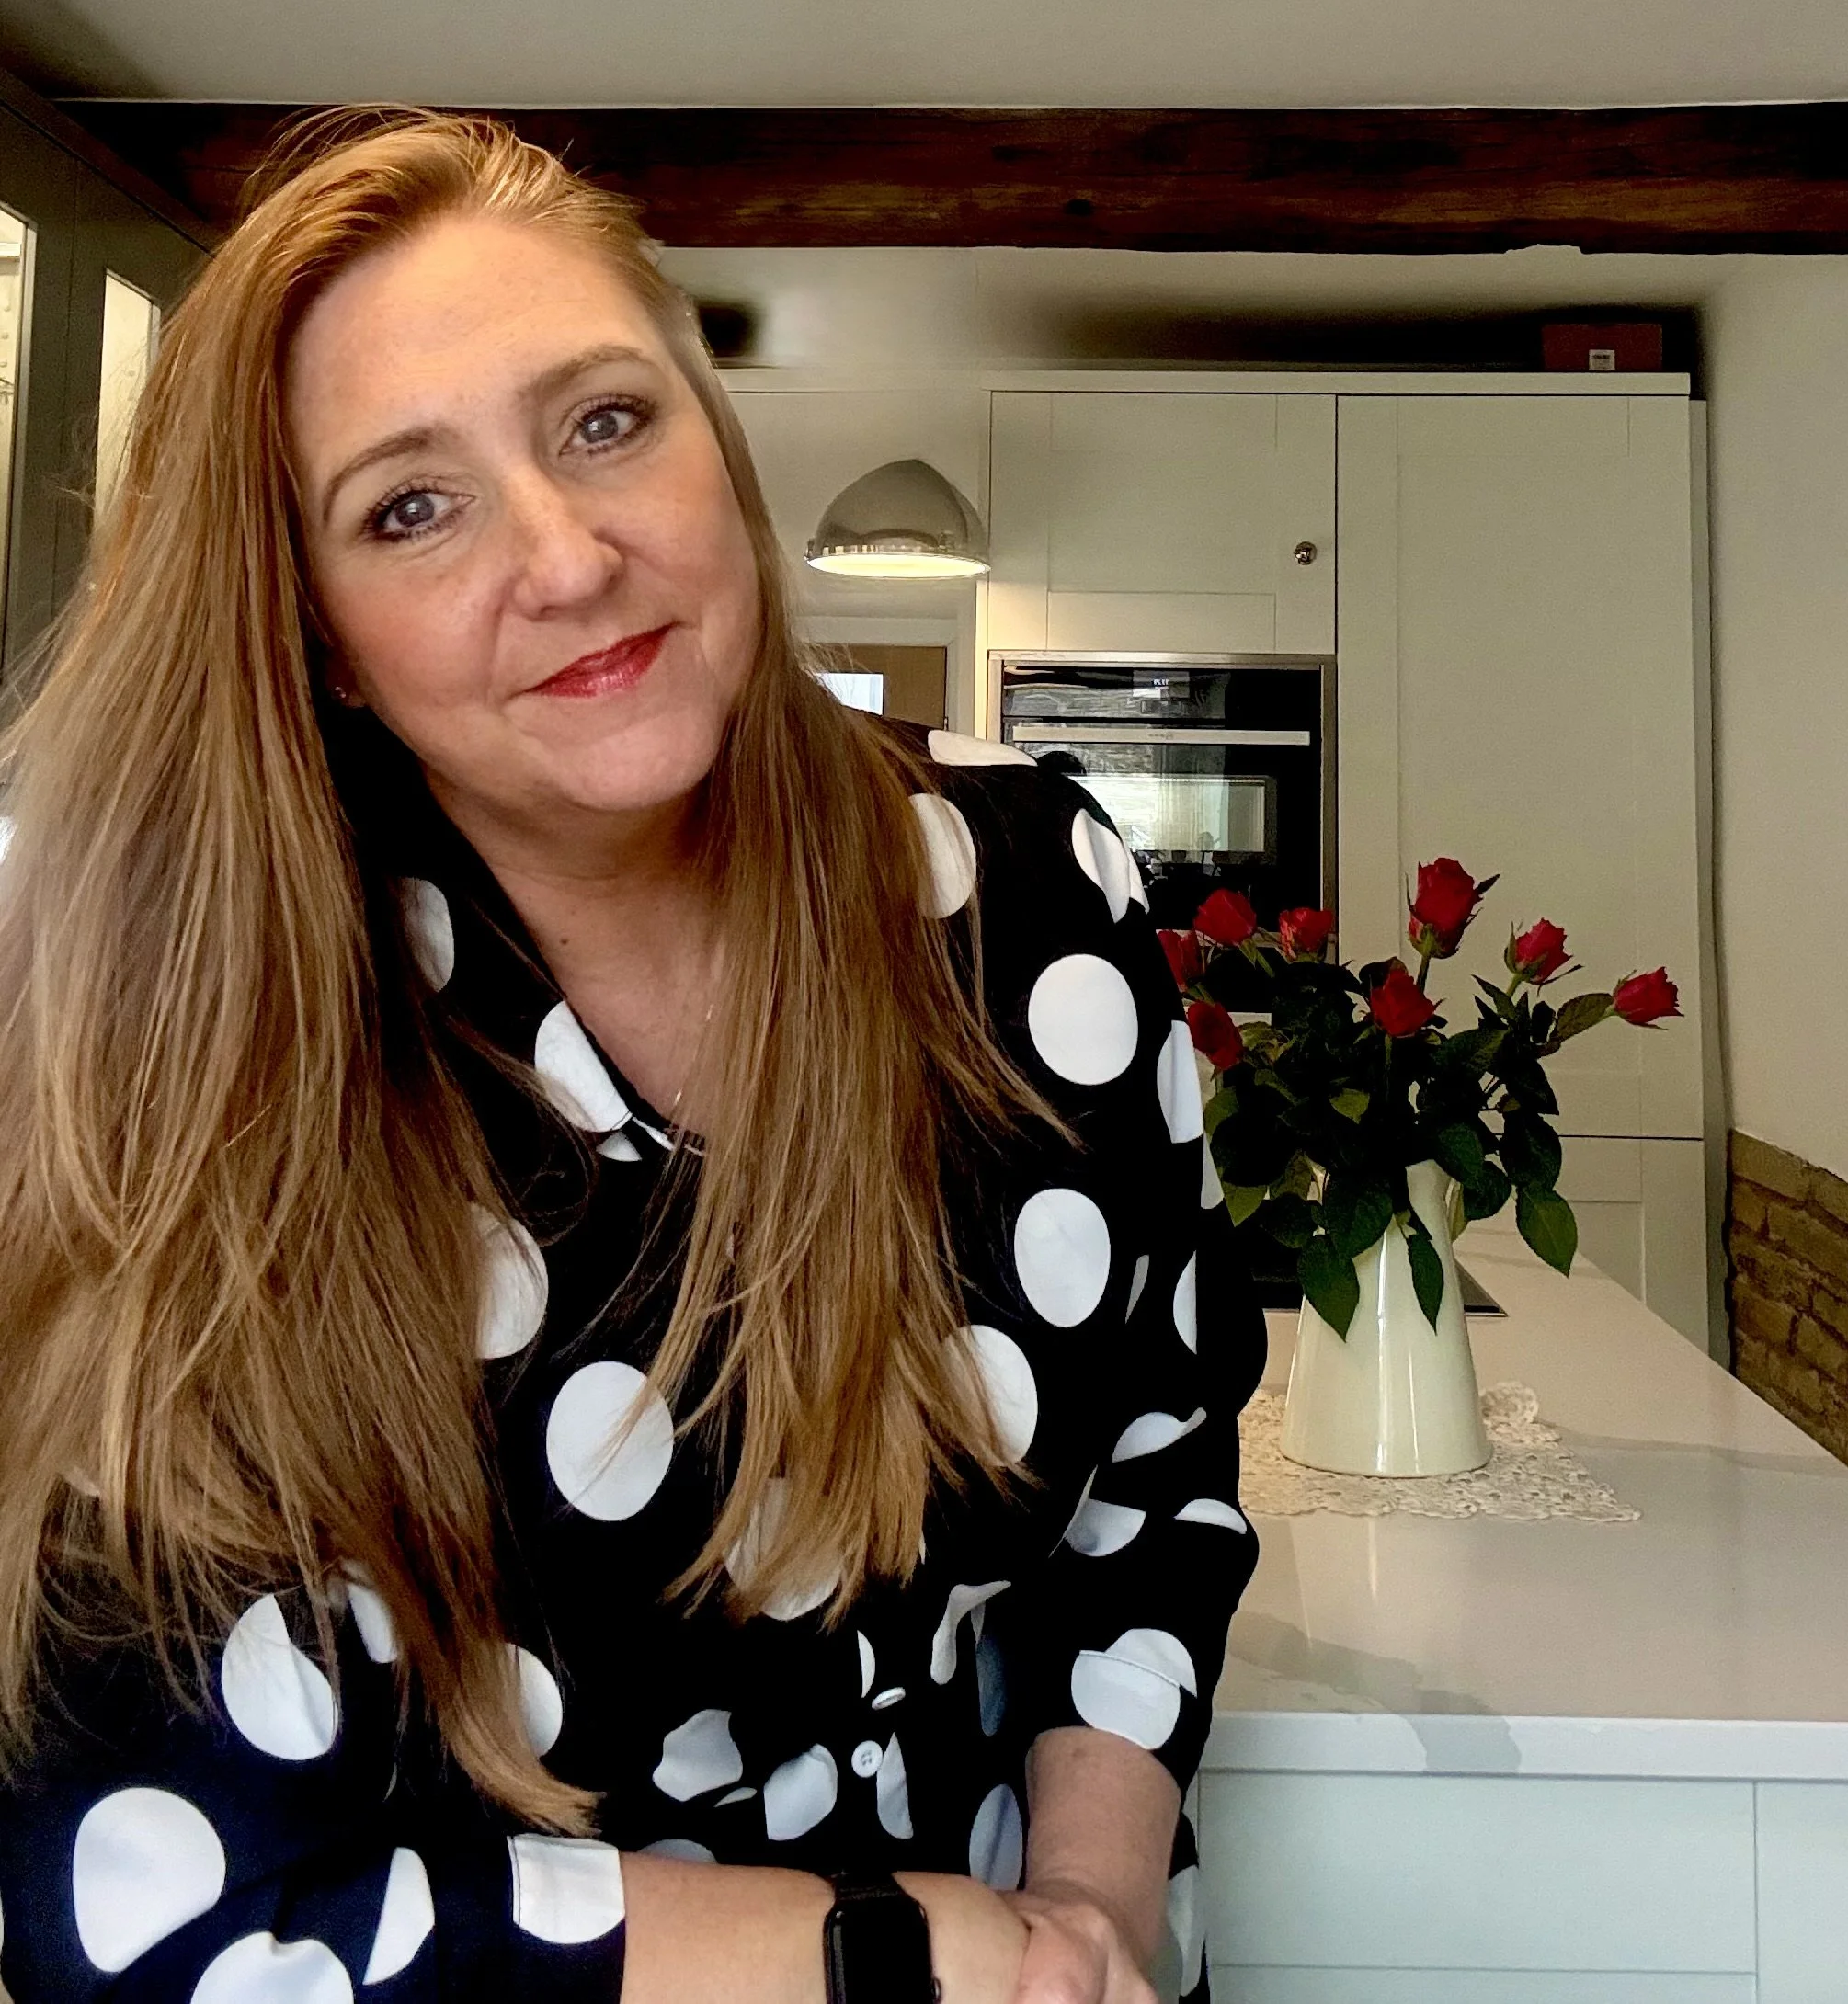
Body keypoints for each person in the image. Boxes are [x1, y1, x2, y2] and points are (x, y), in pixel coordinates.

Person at [0, 115, 1263, 2004]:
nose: (570, 555)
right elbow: (174, 1916)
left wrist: (1088, 1913)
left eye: (603, 420)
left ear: (714, 439)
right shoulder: (207, 1063)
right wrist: (886, 1949)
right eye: (408, 507)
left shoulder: (1031, 888)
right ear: (327, 641)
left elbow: (1152, 1479)